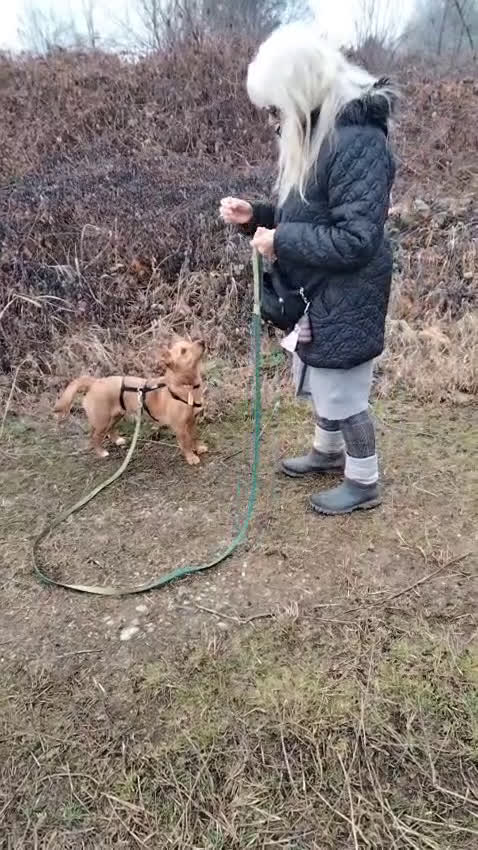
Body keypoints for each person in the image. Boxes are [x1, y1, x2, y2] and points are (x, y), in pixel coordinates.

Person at [220, 22, 396, 515]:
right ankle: (327, 453)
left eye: (278, 107)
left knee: (344, 389)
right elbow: (310, 214)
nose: (276, 120)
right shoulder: (321, 133)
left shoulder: (358, 141)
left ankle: (364, 481)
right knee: (319, 371)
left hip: (349, 288)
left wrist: (283, 239)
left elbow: (356, 239)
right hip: (320, 286)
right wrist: (257, 216)